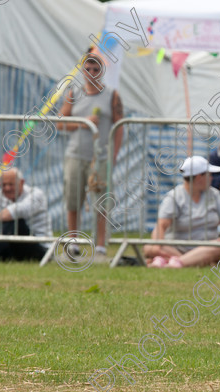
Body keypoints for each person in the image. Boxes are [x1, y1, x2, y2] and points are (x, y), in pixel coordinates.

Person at [58, 49, 123, 258]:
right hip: (75, 154)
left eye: (96, 68)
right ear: (83, 70)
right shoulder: (73, 93)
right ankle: (73, 241)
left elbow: (120, 126)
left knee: (101, 202)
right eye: (88, 68)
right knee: (73, 200)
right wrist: (82, 123)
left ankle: (101, 245)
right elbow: (60, 123)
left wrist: (113, 155)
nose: (92, 72)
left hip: (100, 157)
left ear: (102, 70)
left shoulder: (112, 95)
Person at [146, 156, 220, 268]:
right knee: (150, 246)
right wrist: (157, 246)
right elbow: (161, 225)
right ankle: (185, 262)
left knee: (219, 245)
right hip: (177, 248)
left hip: (208, 247)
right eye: (209, 174)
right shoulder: (174, 196)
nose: (212, 178)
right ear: (199, 177)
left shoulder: (214, 194)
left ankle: (172, 261)